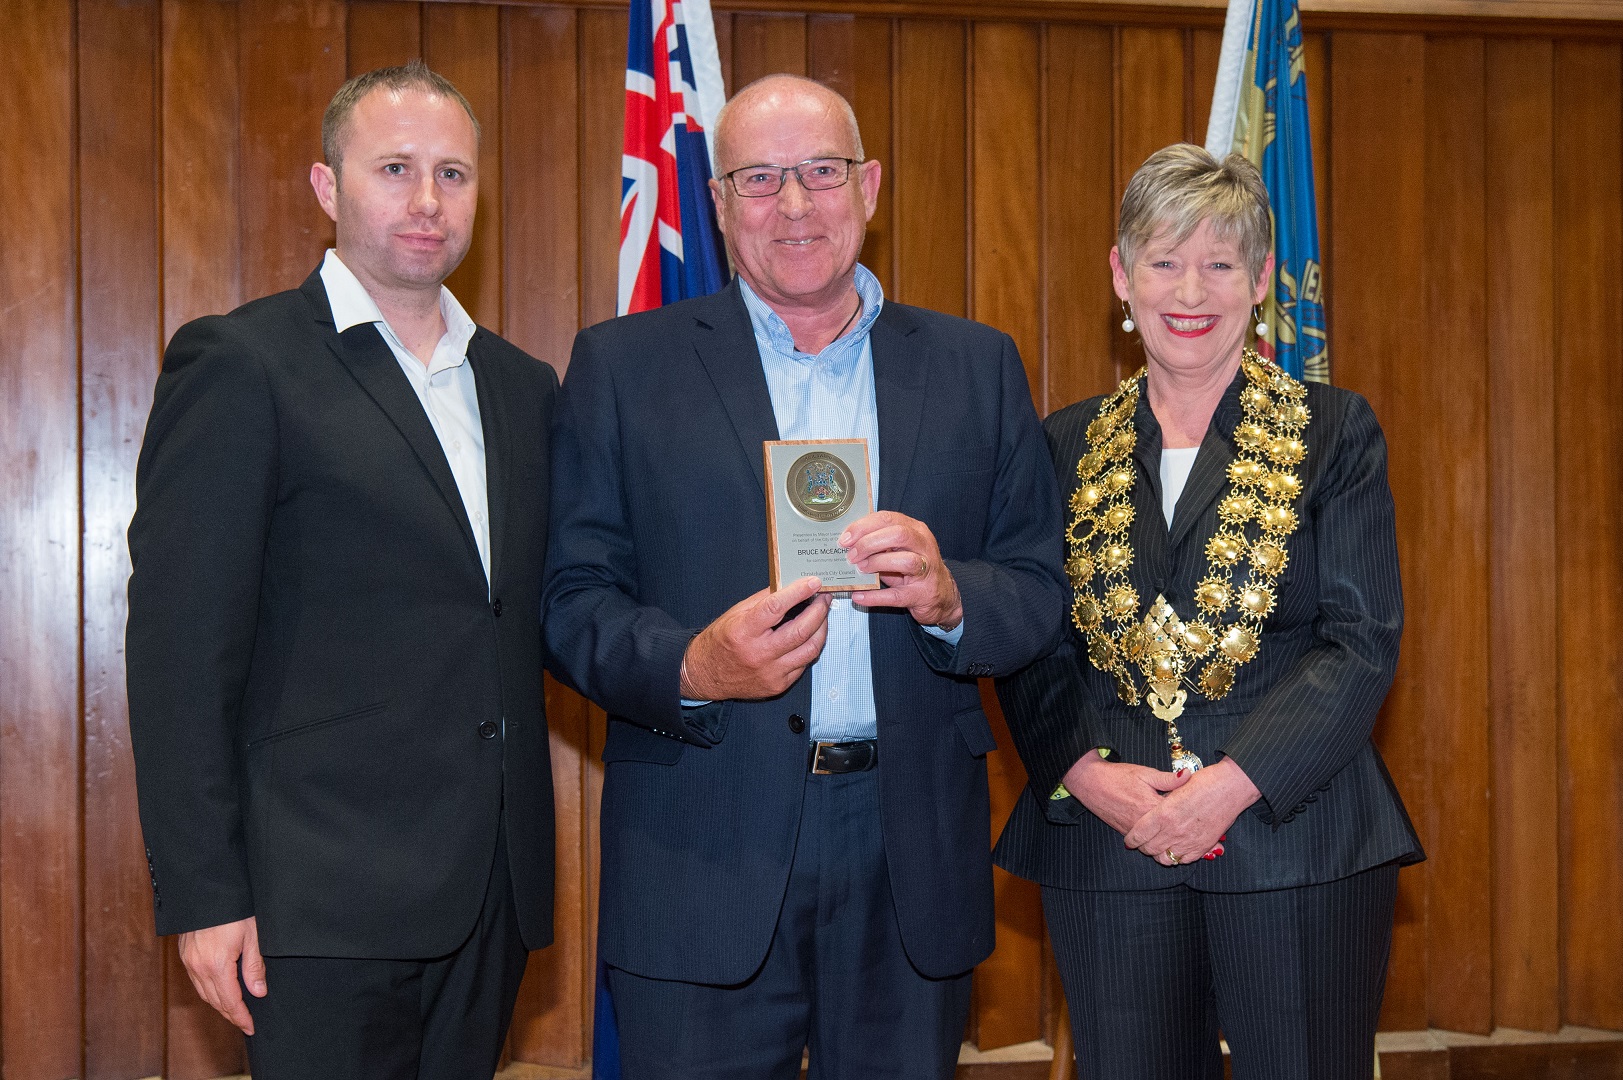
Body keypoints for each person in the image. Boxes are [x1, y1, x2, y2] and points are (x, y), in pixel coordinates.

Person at [542, 74, 1066, 1080]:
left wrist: (955, 598)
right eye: (759, 178)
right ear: (719, 204)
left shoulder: (976, 366)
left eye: (820, 173)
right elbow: (570, 600)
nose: (794, 205)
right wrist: (693, 662)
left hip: (907, 846)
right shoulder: (623, 367)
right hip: (701, 842)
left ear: (869, 187)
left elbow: (1038, 587)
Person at [125, 61, 556, 1079]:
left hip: (491, 895)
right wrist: (205, 896)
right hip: (313, 909)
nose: (425, 201)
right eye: (394, 168)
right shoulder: (243, 364)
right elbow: (182, 651)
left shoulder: (521, 385)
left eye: (453, 174)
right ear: (328, 189)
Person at [994, 143, 1423, 1080]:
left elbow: (1361, 642)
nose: (1190, 290)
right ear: (1120, 273)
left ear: (1262, 278)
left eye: (1221, 263)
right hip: (1113, 836)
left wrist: (1231, 785)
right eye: (1162, 260)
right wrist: (1084, 773)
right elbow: (1028, 635)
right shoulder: (1057, 445)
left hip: (1292, 834)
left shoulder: (1334, 431)